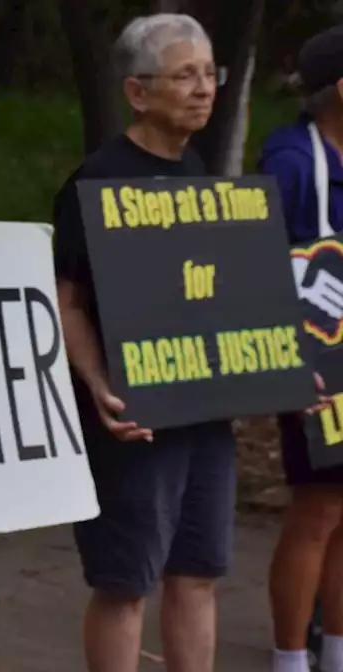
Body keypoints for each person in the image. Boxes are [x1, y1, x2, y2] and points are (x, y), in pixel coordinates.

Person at [52, 14, 235, 672]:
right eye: (185, 74)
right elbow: (65, 298)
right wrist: (97, 382)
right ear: (136, 92)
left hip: (205, 417)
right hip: (134, 424)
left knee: (198, 573)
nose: (204, 88)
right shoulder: (95, 180)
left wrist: (282, 369)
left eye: (211, 74)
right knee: (125, 583)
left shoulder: (200, 172)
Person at [259, 24, 343, 672]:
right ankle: (291, 660)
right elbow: (252, 266)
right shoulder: (291, 162)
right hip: (316, 363)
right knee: (317, 510)